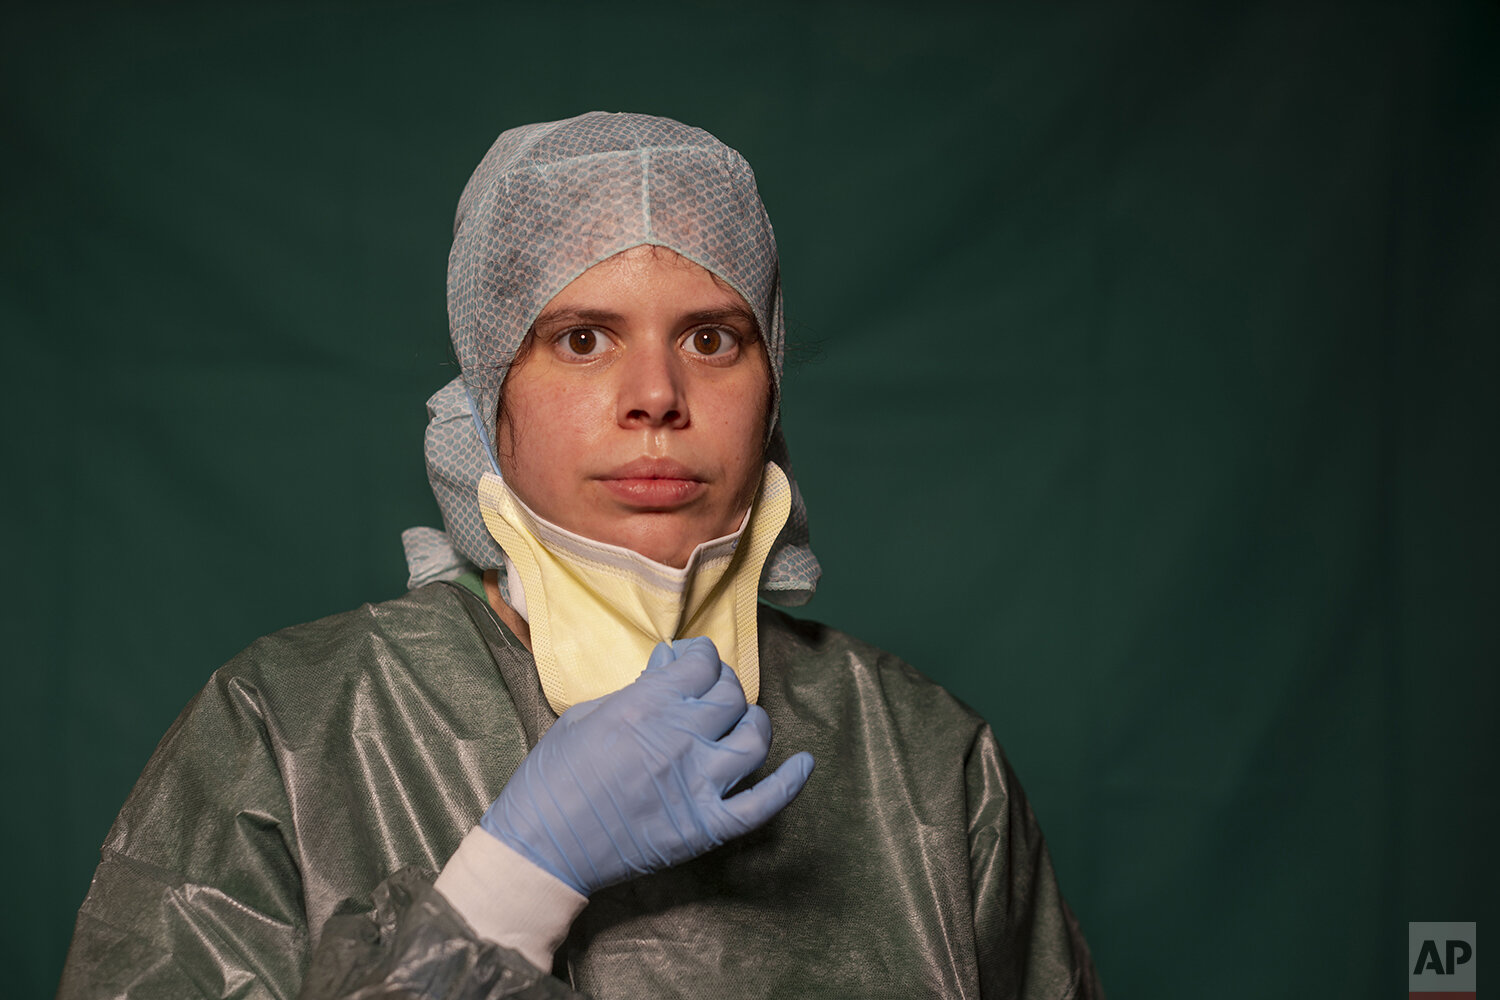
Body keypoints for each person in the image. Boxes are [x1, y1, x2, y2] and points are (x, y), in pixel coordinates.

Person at [58, 112, 1101, 999]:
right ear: (485, 395)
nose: (656, 395)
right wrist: (509, 885)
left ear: (771, 386)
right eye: (583, 338)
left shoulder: (928, 764)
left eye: (710, 337)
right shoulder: (284, 734)